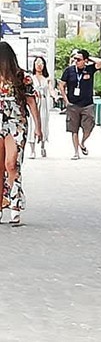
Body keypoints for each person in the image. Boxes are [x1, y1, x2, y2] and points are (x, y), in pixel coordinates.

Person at [0, 42, 42, 225]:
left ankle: (15, 205)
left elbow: (31, 102)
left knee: (11, 164)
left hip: (16, 123)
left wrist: (38, 127)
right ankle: (2, 204)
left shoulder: (22, 77)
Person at [58, 49, 101, 160]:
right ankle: (76, 152)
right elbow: (61, 85)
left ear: (85, 60)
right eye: (75, 59)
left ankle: (82, 142)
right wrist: (66, 100)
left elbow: (100, 62)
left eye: (79, 59)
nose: (76, 61)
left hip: (87, 104)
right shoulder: (69, 71)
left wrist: (89, 58)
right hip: (73, 104)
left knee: (88, 126)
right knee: (74, 129)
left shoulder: (89, 69)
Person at [27, 56, 55, 158]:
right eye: (37, 63)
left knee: (43, 123)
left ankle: (43, 145)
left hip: (43, 103)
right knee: (32, 124)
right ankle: (32, 149)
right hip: (33, 102)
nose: (39, 65)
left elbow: (51, 89)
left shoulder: (47, 79)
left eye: (41, 63)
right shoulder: (30, 78)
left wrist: (54, 96)